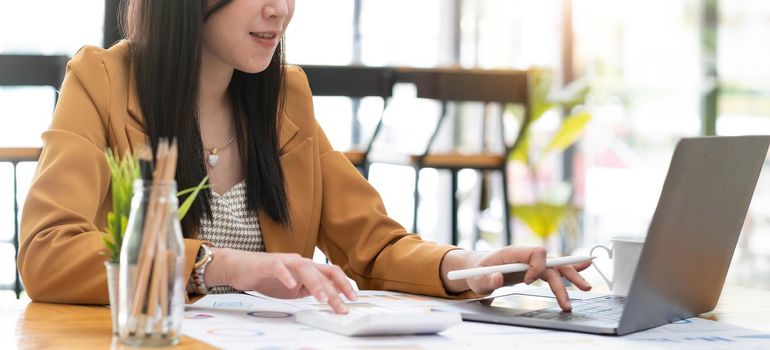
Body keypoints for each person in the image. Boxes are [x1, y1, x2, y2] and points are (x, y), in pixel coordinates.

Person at [17, 0, 591, 314]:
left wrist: (473, 265)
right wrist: (217, 266)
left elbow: (374, 244)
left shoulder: (285, 97)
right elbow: (48, 252)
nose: (282, 9)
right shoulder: (100, 82)